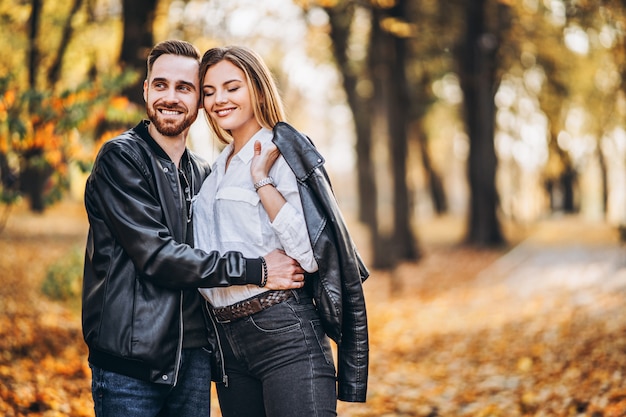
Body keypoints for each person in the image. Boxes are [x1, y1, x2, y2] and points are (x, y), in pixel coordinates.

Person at [81, 39, 305, 417]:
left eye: (184, 88)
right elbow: (157, 256)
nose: (170, 97)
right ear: (146, 89)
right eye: (161, 84)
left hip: (196, 362)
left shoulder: (205, 173)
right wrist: (260, 269)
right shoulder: (120, 159)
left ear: (200, 101)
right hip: (130, 366)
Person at [194, 45, 370, 417]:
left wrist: (262, 181)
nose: (218, 100)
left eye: (231, 87)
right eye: (209, 92)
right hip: (227, 345)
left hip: (284, 335)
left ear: (257, 89)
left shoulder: (284, 151)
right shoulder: (213, 172)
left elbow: (311, 254)